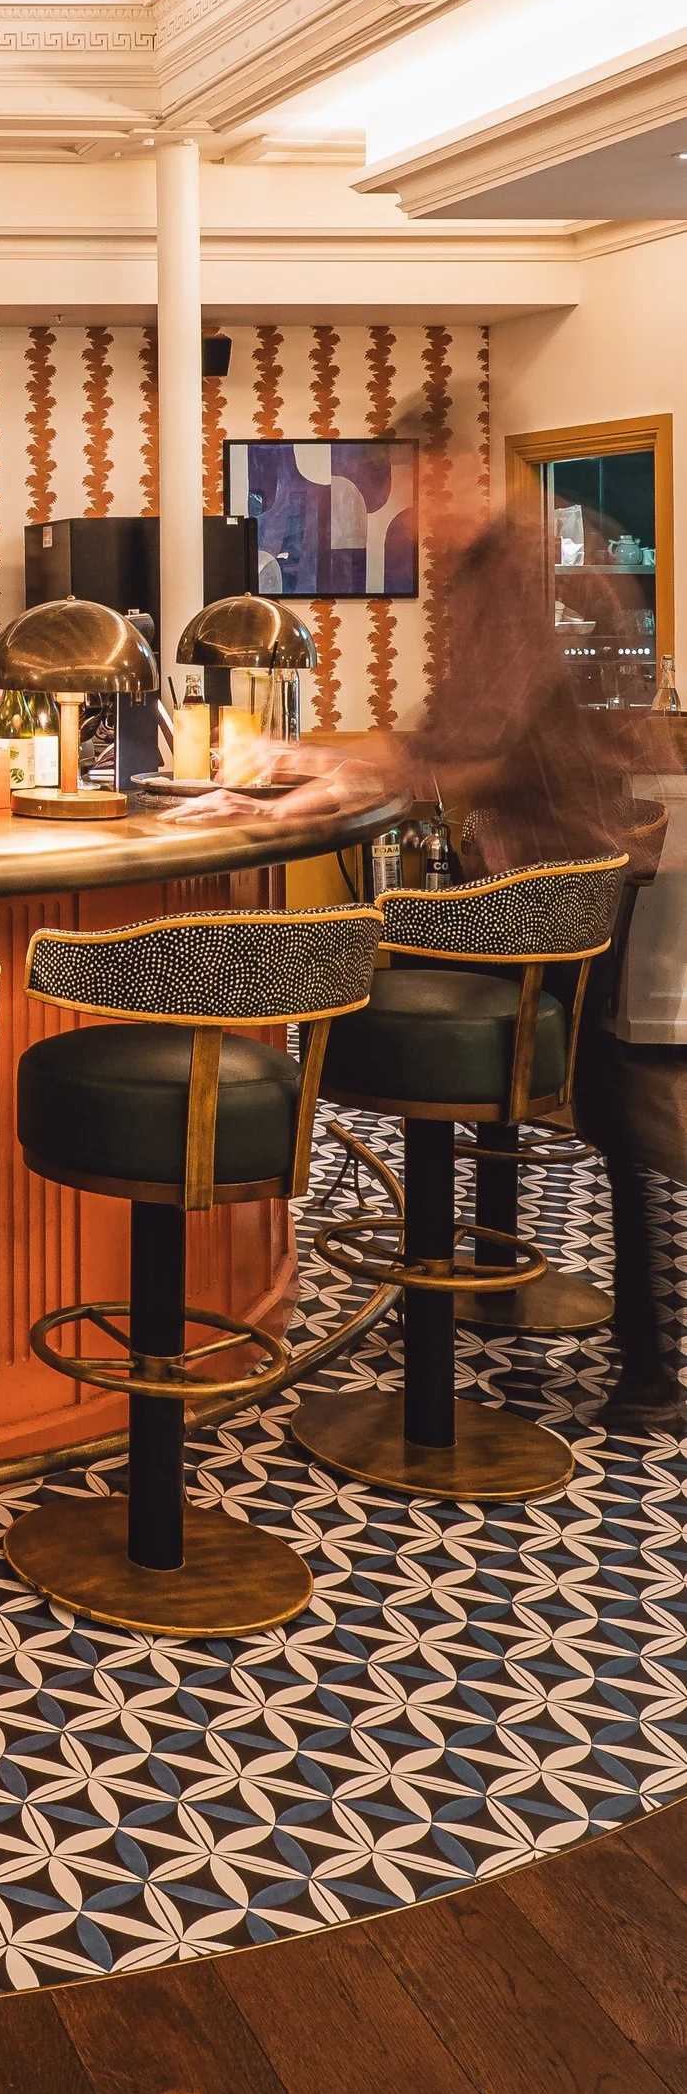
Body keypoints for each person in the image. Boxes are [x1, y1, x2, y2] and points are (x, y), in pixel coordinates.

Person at [222, 505, 683, 1425]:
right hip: (580, 876)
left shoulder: (520, 565)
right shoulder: (546, 549)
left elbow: (477, 731)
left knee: (622, 1117)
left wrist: (321, 769)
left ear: (447, 473)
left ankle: (647, 1366)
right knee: (616, 1110)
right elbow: (471, 730)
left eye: (416, 489)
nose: (413, 519)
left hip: (548, 890)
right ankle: (538, 1298)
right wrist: (333, 765)